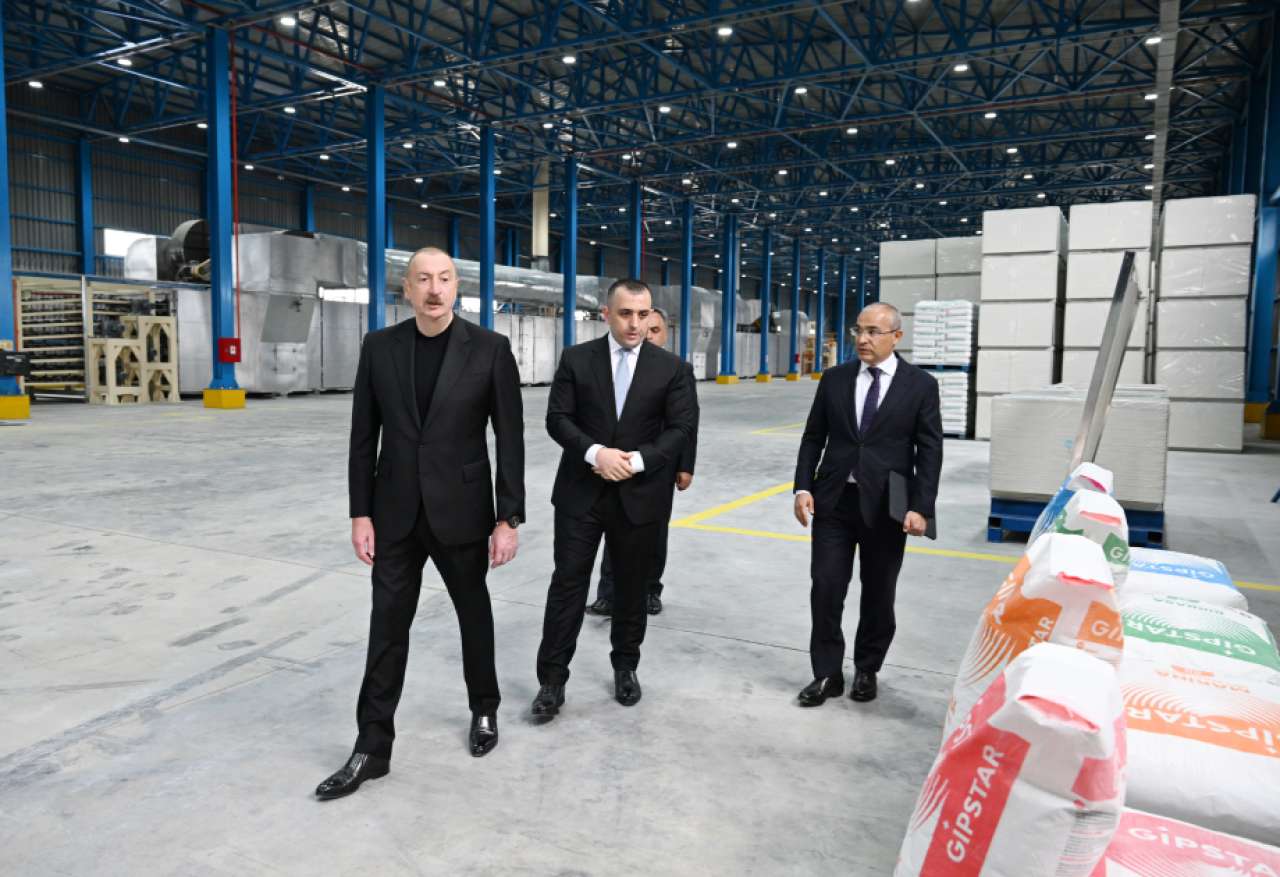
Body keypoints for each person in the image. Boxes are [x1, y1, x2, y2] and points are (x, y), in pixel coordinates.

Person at [316, 247, 525, 801]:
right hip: (395, 514)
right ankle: (372, 747)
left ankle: (484, 707)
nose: (435, 289)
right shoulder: (379, 347)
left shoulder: (490, 349)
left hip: (462, 511)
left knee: (473, 617)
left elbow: (511, 438)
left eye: (445, 279)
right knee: (387, 628)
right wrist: (360, 512)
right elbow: (363, 436)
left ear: (456, 287)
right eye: (423, 280)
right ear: (405, 289)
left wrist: (507, 517)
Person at [532, 279, 698, 720]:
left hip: (640, 495)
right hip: (581, 493)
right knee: (568, 584)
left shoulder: (672, 368)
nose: (635, 324)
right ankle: (552, 680)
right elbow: (557, 418)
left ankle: (626, 667)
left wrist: (637, 462)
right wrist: (595, 454)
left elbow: (680, 428)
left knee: (631, 587)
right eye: (625, 314)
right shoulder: (576, 359)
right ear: (606, 314)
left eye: (643, 315)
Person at [792, 302, 942, 706]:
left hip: (888, 505)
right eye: (858, 330)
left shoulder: (920, 385)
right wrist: (802, 487)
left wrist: (921, 507)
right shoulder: (835, 379)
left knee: (879, 591)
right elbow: (813, 437)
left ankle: (867, 668)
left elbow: (929, 451)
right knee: (826, 586)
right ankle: (827, 673)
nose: (862, 339)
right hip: (834, 500)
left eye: (873, 332)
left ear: (896, 337)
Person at [587, 307, 697, 617]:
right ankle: (608, 594)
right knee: (613, 529)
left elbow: (688, 424)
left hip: (658, 468)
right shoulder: (619, 366)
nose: (647, 335)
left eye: (655, 330)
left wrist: (685, 465)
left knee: (653, 533)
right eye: (645, 330)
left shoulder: (677, 371)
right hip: (618, 463)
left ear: (665, 335)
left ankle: (650, 590)